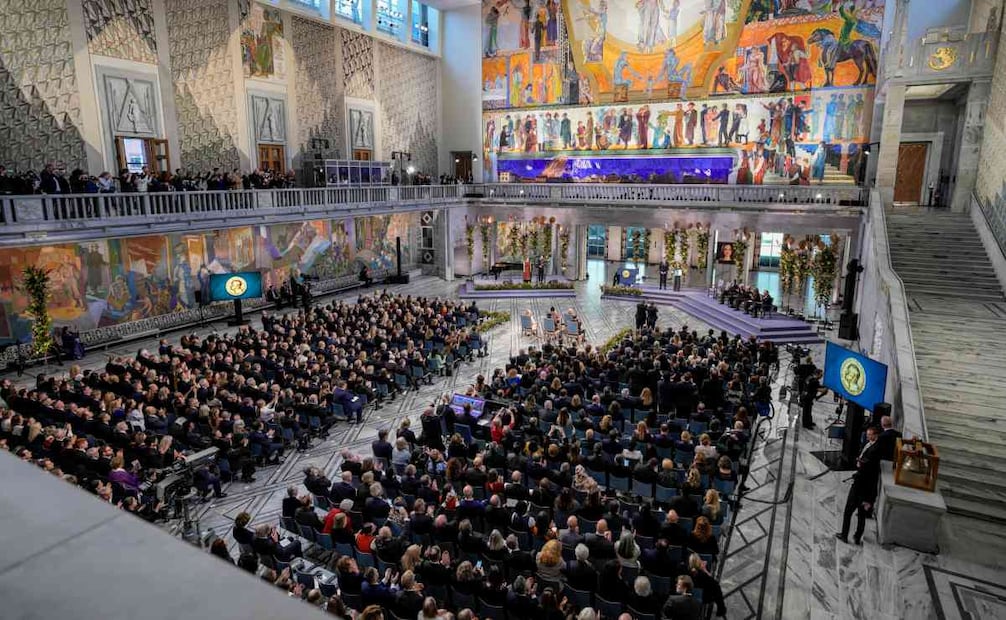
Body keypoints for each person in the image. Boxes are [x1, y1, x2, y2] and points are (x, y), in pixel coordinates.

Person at [837, 425, 882, 545]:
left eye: (869, 435)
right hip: (866, 488)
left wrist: (859, 465)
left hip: (860, 487)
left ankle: (844, 535)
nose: (867, 437)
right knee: (861, 515)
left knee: (848, 511)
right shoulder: (872, 445)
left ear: (875, 435)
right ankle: (857, 537)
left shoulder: (874, 450)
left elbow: (867, 468)